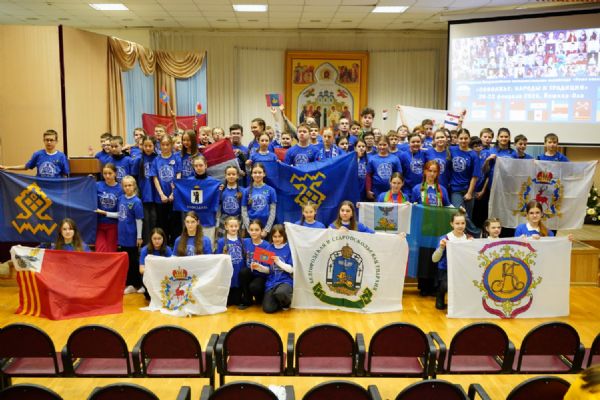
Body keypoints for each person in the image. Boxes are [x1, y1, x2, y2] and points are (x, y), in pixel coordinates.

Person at [96, 175, 144, 294]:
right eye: (125, 185)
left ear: (134, 186)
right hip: (122, 235)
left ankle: (137, 284)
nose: (127, 187)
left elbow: (139, 220)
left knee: (133, 261)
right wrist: (105, 213)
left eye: (130, 185)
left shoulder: (137, 202)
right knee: (125, 260)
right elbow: (119, 214)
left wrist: (139, 237)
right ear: (122, 187)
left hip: (131, 236)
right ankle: (129, 283)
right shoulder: (121, 198)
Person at [432, 211, 472, 310]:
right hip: (446, 269)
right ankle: (440, 295)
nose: (460, 226)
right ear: (451, 224)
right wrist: (441, 247)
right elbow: (434, 259)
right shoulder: (445, 238)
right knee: (446, 285)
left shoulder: (469, 239)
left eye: (462, 223)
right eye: (457, 223)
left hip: (463, 269)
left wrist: (472, 245)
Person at [449, 128, 481, 237]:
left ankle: (467, 239)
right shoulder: (452, 149)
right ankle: (477, 233)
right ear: (457, 139)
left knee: (468, 218)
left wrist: (469, 193)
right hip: (455, 190)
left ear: (469, 139)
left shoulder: (473, 155)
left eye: (465, 138)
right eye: (461, 138)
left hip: (468, 190)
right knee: (462, 216)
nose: (463, 140)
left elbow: (475, 176)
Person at [150, 135, 182, 244]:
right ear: (160, 145)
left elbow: (178, 175)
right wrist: (161, 194)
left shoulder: (176, 158)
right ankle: (164, 246)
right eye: (163, 145)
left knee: (175, 223)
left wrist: (173, 193)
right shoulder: (156, 160)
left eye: (167, 144)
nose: (165, 147)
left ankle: (175, 245)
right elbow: (155, 178)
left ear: (171, 145)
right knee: (162, 223)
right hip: (161, 198)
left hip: (174, 197)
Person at [0, 129, 69, 178]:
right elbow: (26, 167)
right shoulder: (38, 154)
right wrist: (7, 167)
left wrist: (64, 191)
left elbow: (65, 175)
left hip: (56, 190)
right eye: (47, 140)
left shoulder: (61, 156)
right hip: (40, 189)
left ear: (56, 141)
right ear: (44, 141)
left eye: (51, 140)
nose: (49, 142)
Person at [238, 219, 271, 309]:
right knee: (243, 272)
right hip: (249, 273)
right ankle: (247, 300)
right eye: (251, 230)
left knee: (255, 288)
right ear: (248, 231)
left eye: (256, 230)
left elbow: (268, 267)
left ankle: (260, 296)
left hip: (261, 275)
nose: (254, 232)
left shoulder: (266, 245)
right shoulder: (245, 242)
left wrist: (259, 266)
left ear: (262, 231)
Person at [187, 155, 220, 244]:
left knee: (208, 248)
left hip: (209, 221)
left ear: (206, 165)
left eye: (201, 165)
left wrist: (219, 189)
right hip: (192, 223)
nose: (198, 168)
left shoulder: (214, 183)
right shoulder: (188, 182)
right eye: (196, 166)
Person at [262, 224, 294, 313]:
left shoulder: (289, 248)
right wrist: (259, 267)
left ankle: (286, 303)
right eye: (275, 236)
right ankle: (278, 300)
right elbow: (268, 270)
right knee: (268, 309)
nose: (277, 239)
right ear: (271, 237)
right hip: (271, 283)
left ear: (284, 236)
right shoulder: (268, 248)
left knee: (281, 292)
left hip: (285, 281)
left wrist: (278, 262)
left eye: (280, 236)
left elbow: (291, 270)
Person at [215, 216, 245, 306]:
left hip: (238, 272)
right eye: (231, 226)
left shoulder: (242, 241)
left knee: (237, 301)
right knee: (229, 302)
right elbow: (218, 258)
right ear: (226, 227)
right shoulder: (221, 242)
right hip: (227, 275)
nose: (233, 228)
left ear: (238, 227)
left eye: (236, 226)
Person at [241, 163, 277, 237]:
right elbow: (244, 211)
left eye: (260, 172)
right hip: (251, 227)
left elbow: (272, 211)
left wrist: (267, 230)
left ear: (264, 174)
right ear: (251, 174)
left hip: (265, 227)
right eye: (255, 172)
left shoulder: (271, 190)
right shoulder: (246, 191)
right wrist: (249, 229)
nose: (257, 175)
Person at [139, 227, 172, 300]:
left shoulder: (167, 250)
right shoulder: (145, 250)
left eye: (159, 238)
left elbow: (172, 266)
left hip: (163, 276)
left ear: (163, 239)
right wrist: (154, 272)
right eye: (154, 239)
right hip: (150, 276)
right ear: (151, 239)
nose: (157, 241)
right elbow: (141, 270)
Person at [95, 163, 122, 252]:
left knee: (111, 251)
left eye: (110, 173)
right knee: (99, 250)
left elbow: (121, 213)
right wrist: (88, 180)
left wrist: (105, 213)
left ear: (115, 173)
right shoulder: (97, 185)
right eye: (105, 173)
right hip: (99, 225)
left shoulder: (121, 189)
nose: (107, 176)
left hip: (113, 225)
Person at [366, 135, 402, 200]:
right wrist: (368, 190)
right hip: (376, 190)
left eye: (384, 145)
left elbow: (399, 175)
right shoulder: (372, 159)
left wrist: (398, 188)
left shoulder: (395, 158)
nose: (382, 147)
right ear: (377, 145)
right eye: (380, 145)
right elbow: (368, 175)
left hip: (391, 190)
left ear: (388, 145)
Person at [137, 135, 158, 245]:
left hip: (156, 196)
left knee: (155, 220)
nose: (148, 148)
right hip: (144, 196)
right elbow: (135, 178)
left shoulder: (158, 158)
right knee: (146, 221)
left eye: (150, 146)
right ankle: (147, 245)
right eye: (145, 146)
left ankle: (157, 245)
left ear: (154, 146)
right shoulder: (139, 160)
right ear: (142, 146)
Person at [217, 165, 246, 238]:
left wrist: (243, 226)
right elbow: (218, 207)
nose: (231, 176)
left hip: (238, 219)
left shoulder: (243, 191)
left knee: (237, 242)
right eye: (229, 174)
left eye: (233, 174)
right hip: (224, 220)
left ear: (237, 176)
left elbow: (244, 210)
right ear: (225, 176)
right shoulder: (221, 190)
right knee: (223, 241)